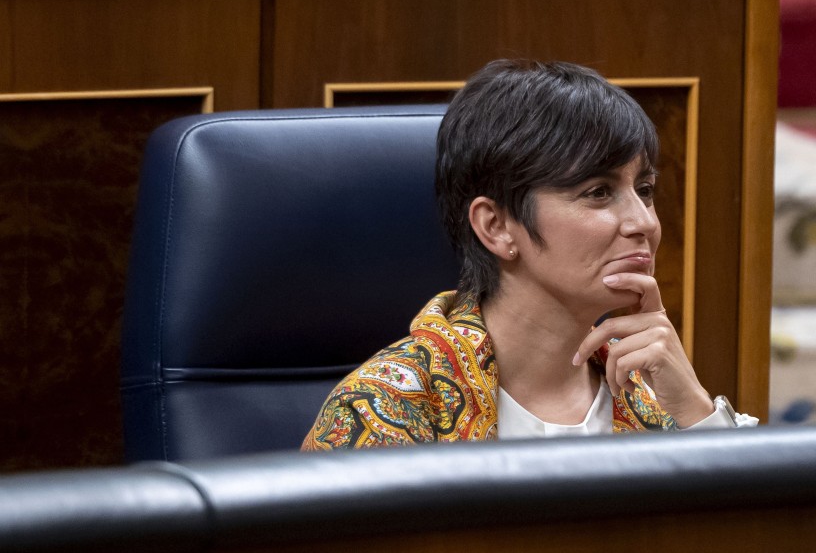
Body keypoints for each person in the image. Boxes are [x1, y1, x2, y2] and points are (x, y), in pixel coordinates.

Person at [302, 59, 755, 450]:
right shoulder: (382, 411)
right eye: (598, 192)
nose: (644, 223)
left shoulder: (656, 393)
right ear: (496, 227)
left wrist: (698, 413)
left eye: (645, 190)